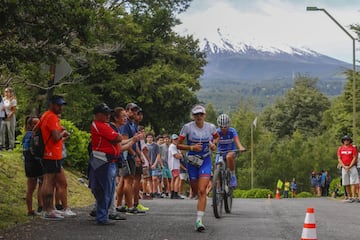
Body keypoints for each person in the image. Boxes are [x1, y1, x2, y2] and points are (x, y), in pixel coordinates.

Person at [177, 104, 219, 232]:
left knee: (202, 190)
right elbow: (178, 145)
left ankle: (199, 220)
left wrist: (213, 145)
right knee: (196, 191)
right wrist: (191, 148)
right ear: (193, 116)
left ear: (204, 115)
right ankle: (199, 212)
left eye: (201, 114)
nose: (199, 117)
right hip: (192, 161)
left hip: (205, 160)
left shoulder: (210, 127)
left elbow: (217, 137)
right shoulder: (187, 127)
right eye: (196, 115)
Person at [88, 103, 123, 225]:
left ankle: (103, 215)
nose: (108, 116)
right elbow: (118, 138)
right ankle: (102, 217)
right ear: (98, 115)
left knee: (109, 189)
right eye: (105, 113)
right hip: (103, 161)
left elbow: (118, 138)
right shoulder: (99, 125)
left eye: (109, 113)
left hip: (109, 161)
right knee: (104, 189)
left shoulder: (104, 125)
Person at [37, 95, 70, 220]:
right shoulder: (51, 117)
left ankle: (48, 208)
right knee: (49, 181)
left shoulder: (44, 115)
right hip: (51, 153)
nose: (60, 107)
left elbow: (36, 129)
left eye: (61, 105)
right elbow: (56, 137)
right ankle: (48, 209)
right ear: (52, 104)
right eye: (58, 105)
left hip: (47, 152)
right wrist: (63, 133)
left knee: (49, 180)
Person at [216, 113, 246, 187]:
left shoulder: (232, 131)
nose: (223, 129)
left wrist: (240, 147)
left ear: (228, 125)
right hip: (220, 152)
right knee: (217, 169)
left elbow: (237, 140)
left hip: (231, 151)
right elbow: (213, 141)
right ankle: (217, 191)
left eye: (225, 127)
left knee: (229, 157)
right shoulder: (217, 132)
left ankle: (232, 175)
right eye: (221, 127)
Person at [22, 116, 43, 216]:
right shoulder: (34, 135)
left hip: (28, 163)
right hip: (36, 163)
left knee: (31, 188)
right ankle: (40, 205)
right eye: (35, 124)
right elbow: (36, 150)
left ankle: (30, 209)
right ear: (30, 125)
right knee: (41, 184)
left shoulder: (26, 135)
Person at [337, 135, 359, 202]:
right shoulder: (340, 148)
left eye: (347, 140)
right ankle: (348, 196)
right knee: (346, 182)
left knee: (353, 182)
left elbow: (355, 158)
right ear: (343, 141)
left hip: (352, 166)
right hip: (344, 167)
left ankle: (353, 196)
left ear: (350, 141)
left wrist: (349, 166)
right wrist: (344, 166)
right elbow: (339, 158)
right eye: (344, 140)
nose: (346, 141)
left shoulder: (353, 148)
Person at [168, 134, 184, 199]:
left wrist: (180, 155)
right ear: (172, 140)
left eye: (176, 139)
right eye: (174, 139)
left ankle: (172, 193)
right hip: (174, 165)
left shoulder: (176, 146)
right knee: (177, 178)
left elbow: (180, 154)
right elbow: (176, 155)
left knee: (173, 179)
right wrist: (180, 155)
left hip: (175, 165)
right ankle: (175, 192)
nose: (176, 140)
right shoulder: (172, 146)